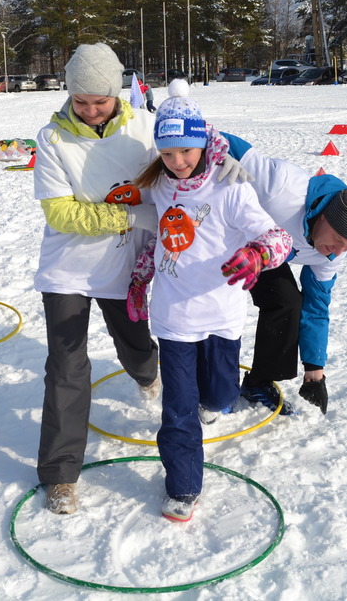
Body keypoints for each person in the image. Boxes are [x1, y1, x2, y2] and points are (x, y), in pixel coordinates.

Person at [126, 81, 292, 522]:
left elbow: (280, 238)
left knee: (218, 396)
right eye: (167, 153)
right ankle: (183, 486)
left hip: (221, 317)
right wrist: (140, 281)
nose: (177, 162)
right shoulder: (161, 186)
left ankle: (213, 401)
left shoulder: (230, 187)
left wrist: (257, 254)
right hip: (174, 319)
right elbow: (159, 241)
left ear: (202, 141)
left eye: (185, 151)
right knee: (178, 410)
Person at [32, 42, 163, 516]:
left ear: (116, 94)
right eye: (80, 101)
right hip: (66, 267)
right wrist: (127, 218)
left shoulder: (143, 130)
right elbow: (61, 213)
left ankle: (149, 376)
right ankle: (61, 473)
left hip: (121, 268)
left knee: (133, 340)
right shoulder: (52, 139)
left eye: (99, 101)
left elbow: (178, 172)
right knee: (67, 367)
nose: (88, 111)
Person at [217, 132, 347, 417]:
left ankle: (258, 382)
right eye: (338, 240)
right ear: (325, 216)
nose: (337, 252)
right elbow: (228, 143)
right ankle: (209, 381)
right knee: (220, 303)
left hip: (264, 251)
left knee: (288, 303)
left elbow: (316, 307)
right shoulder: (282, 186)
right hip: (219, 234)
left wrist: (315, 371)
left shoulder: (330, 253)